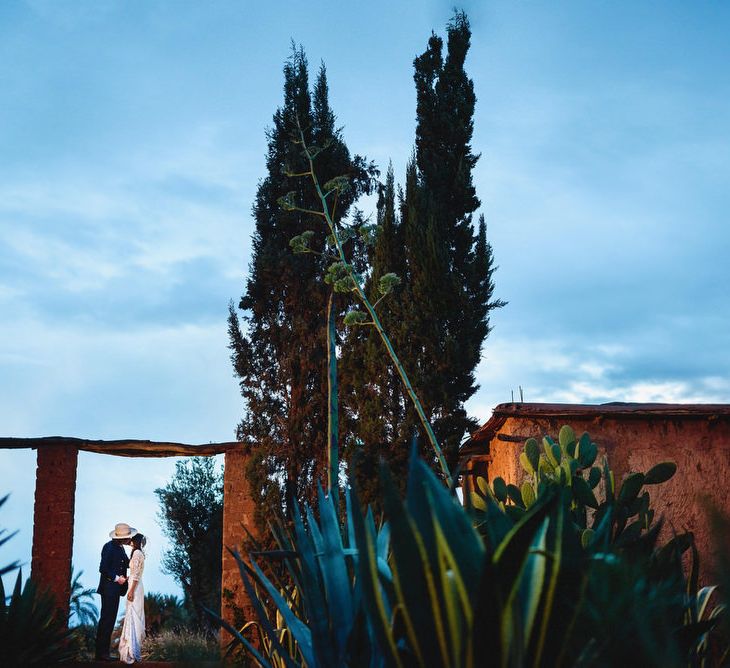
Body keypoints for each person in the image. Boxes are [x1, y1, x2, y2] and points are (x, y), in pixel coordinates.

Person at [95, 522, 134, 661]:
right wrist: (118, 579)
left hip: (115, 590)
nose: (129, 539)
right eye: (128, 537)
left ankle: (103, 653)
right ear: (121, 537)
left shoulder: (120, 547)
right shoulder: (109, 547)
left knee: (110, 620)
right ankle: (101, 654)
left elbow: (126, 562)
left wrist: (136, 552)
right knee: (106, 620)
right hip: (109, 590)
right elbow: (103, 568)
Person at [119, 532, 147, 664]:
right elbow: (135, 574)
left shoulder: (137, 554)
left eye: (132, 540)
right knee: (134, 614)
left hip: (135, 588)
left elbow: (136, 575)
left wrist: (131, 590)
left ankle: (131, 650)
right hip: (136, 585)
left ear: (135, 541)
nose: (129, 541)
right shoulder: (138, 553)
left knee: (133, 615)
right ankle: (132, 649)